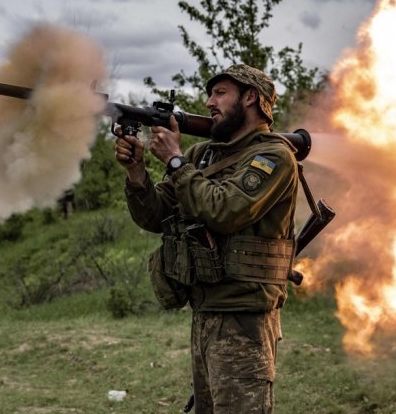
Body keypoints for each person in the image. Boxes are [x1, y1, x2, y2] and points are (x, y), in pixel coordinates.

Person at [114, 65, 299, 414]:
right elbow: (155, 216)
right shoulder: (204, 155)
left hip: (245, 319)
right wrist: (136, 172)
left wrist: (174, 159)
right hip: (204, 312)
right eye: (210, 93)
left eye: (220, 93)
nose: (209, 101)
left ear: (250, 98)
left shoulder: (273, 157)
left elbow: (224, 210)